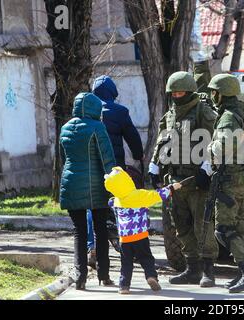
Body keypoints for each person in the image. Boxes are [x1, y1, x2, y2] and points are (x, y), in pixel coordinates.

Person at [148, 71, 219, 287]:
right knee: (182, 227)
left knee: (202, 227)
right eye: (174, 92)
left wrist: (207, 168)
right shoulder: (170, 114)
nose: (177, 95)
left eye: (181, 92)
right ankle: (192, 269)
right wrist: (154, 164)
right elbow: (162, 140)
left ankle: (208, 271)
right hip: (175, 181)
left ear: (189, 92)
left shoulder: (203, 112)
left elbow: (216, 142)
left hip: (197, 181)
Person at [206, 74, 244, 293]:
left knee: (224, 229)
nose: (212, 95)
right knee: (238, 227)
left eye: (214, 92)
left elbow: (221, 149)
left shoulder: (229, 117)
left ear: (222, 93)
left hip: (230, 180)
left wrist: (208, 150)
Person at [59, 92, 116, 290]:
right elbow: (106, 158)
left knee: (79, 232)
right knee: (100, 230)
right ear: (95, 108)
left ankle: (80, 277)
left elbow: (63, 158)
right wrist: (115, 183)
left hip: (71, 184)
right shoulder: (97, 128)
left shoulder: (65, 128)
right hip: (96, 188)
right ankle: (104, 275)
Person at [88, 75, 145, 265]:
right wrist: (138, 156)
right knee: (121, 204)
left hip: (92, 169)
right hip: (115, 171)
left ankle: (92, 246)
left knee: (92, 206)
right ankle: (125, 245)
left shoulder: (88, 112)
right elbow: (133, 137)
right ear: (113, 93)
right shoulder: (120, 112)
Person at [104, 166, 182, 294]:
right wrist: (172, 187)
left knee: (126, 263)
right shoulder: (139, 195)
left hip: (124, 239)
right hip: (140, 236)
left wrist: (112, 199)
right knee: (146, 258)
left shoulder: (117, 201)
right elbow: (157, 195)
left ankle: (124, 286)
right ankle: (151, 276)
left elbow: (110, 203)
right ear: (127, 181)